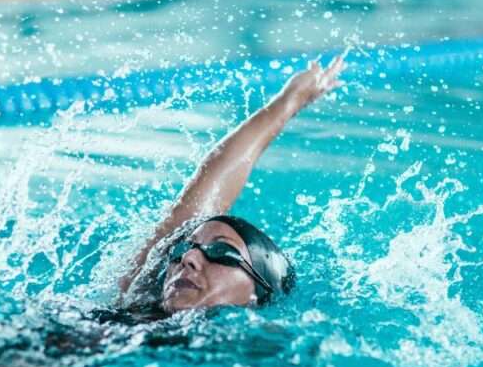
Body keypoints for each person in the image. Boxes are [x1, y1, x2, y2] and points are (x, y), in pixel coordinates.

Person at [118, 54, 348, 319]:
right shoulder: (135, 304)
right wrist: (289, 101)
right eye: (182, 249)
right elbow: (191, 209)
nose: (188, 258)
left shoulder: (262, 350)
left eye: (221, 252)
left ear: (260, 292)